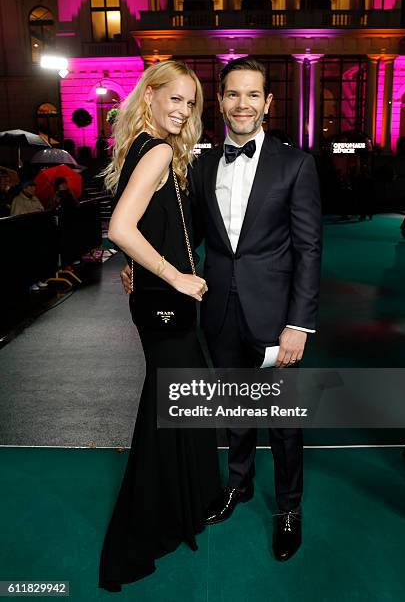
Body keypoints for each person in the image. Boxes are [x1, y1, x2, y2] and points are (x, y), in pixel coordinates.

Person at [121, 56, 322, 563]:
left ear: (268, 103)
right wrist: (137, 267)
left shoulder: (296, 164)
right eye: (232, 94)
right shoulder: (200, 162)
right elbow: (163, 221)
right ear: (221, 102)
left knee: (282, 418)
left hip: (277, 316)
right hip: (217, 310)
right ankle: (239, 485)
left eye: (253, 95)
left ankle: (289, 510)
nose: (242, 104)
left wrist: (299, 323)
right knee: (236, 410)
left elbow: (309, 250)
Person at [98, 60, 220, 592]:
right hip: (167, 300)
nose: (184, 110)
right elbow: (120, 228)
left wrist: (149, 271)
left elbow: (142, 226)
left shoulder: (139, 147)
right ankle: (151, 522)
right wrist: (175, 276)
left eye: (191, 103)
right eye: (175, 99)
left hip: (153, 299)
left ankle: (183, 505)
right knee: (172, 404)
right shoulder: (160, 150)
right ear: (149, 96)